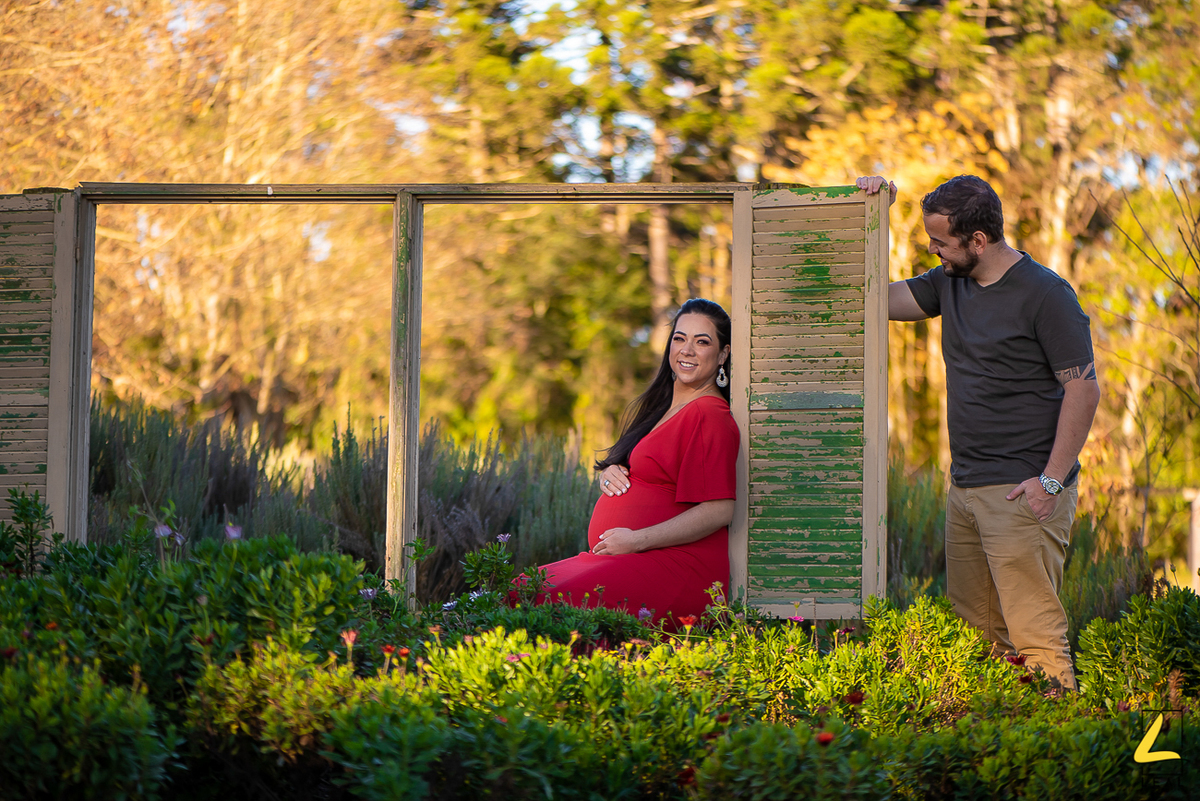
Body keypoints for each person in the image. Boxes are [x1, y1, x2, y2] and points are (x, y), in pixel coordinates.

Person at [858, 174, 1100, 690]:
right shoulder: (950, 282)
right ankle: (997, 748)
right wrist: (874, 211)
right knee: (979, 638)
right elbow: (875, 298)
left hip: (1022, 488)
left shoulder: (1046, 295)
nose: (933, 250)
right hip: (965, 487)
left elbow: (1084, 390)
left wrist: (1051, 481)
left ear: (979, 240)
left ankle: (1059, 750)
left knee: (1036, 638)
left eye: (941, 242)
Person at [525, 298, 741, 623]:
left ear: (723, 354)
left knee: (542, 599)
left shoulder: (709, 414)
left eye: (702, 341)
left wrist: (637, 540)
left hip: (677, 567)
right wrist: (613, 471)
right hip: (637, 558)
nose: (687, 350)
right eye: (680, 338)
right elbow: (650, 471)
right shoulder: (665, 408)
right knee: (523, 588)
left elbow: (719, 509)